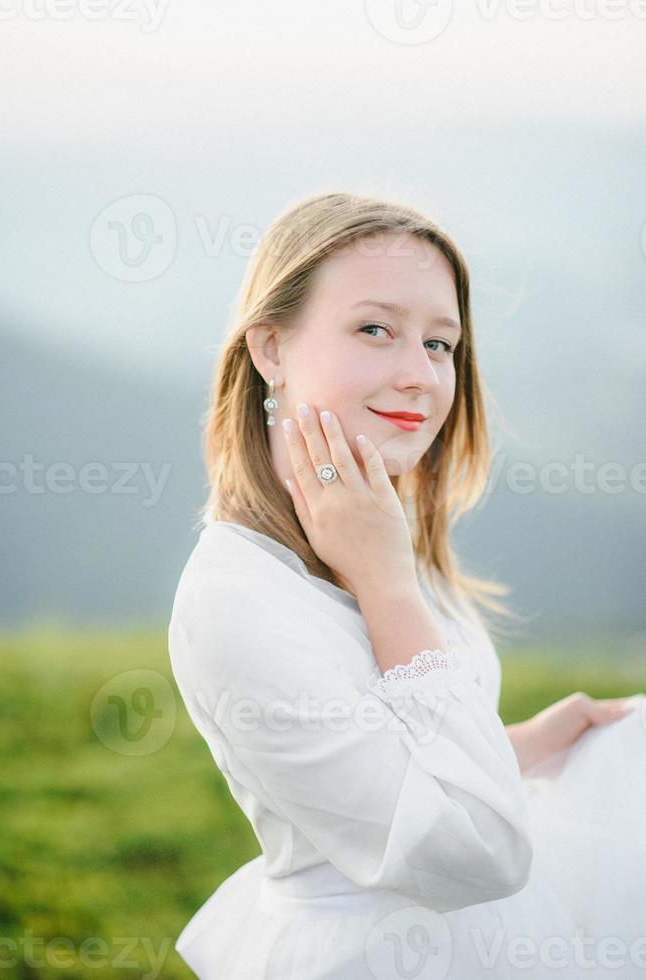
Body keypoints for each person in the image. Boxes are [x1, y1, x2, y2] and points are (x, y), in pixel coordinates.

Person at [167, 192, 646, 979]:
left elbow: (396, 766)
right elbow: (480, 853)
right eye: (374, 329)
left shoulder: (376, 520)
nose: (419, 374)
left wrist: (521, 745)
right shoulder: (237, 603)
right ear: (270, 347)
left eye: (440, 343)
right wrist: (387, 584)